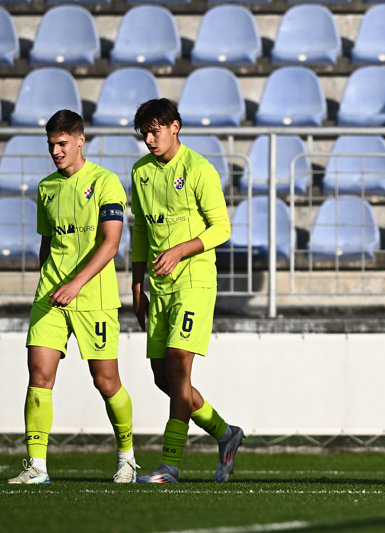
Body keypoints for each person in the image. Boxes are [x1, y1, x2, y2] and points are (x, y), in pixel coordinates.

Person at [8, 110, 137, 484]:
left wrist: (77, 283)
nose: (56, 151)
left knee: (106, 381)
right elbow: (46, 244)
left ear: (81, 140)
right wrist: (49, 280)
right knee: (39, 374)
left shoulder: (105, 182)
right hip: (51, 295)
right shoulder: (46, 187)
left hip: (93, 297)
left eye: (62, 143)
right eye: (51, 145)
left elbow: (111, 243)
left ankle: (127, 458)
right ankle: (37, 466)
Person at [130, 98, 244, 483]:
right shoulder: (141, 172)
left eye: (155, 131)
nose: (149, 139)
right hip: (159, 288)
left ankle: (170, 465)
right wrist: (136, 284)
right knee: (165, 379)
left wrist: (180, 250)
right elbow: (141, 229)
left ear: (174, 127)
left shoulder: (198, 169)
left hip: (194, 282)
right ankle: (225, 434)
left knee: (178, 366)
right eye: (145, 133)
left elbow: (221, 228)